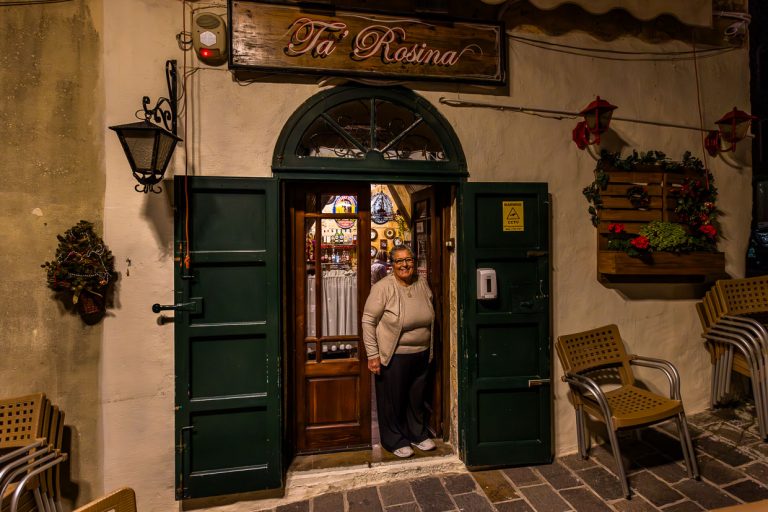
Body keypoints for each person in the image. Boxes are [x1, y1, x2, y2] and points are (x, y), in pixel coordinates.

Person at [362, 245, 435, 458]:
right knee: (392, 401)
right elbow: (368, 321)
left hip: (421, 352)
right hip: (394, 354)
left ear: (414, 261)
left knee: (416, 398)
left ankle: (417, 434)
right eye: (399, 261)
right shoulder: (383, 287)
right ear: (391, 265)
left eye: (409, 260)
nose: (405, 265)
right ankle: (393, 440)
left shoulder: (422, 284)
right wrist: (373, 354)